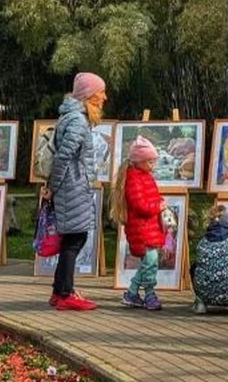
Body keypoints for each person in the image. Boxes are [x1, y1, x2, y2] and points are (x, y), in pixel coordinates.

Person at [46, 71, 107, 311]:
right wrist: (54, 186)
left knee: (72, 238)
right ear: (90, 95)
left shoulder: (73, 118)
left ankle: (59, 290)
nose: (104, 97)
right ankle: (64, 293)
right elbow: (63, 157)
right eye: (101, 92)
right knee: (75, 238)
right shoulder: (78, 122)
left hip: (72, 186)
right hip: (72, 187)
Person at [110, 136, 166, 311]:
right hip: (141, 228)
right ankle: (143, 293)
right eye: (150, 162)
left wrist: (159, 203)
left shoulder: (145, 176)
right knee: (150, 261)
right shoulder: (134, 179)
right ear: (139, 161)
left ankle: (135, 293)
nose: (153, 165)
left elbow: (151, 197)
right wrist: (158, 206)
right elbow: (140, 205)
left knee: (149, 262)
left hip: (149, 226)